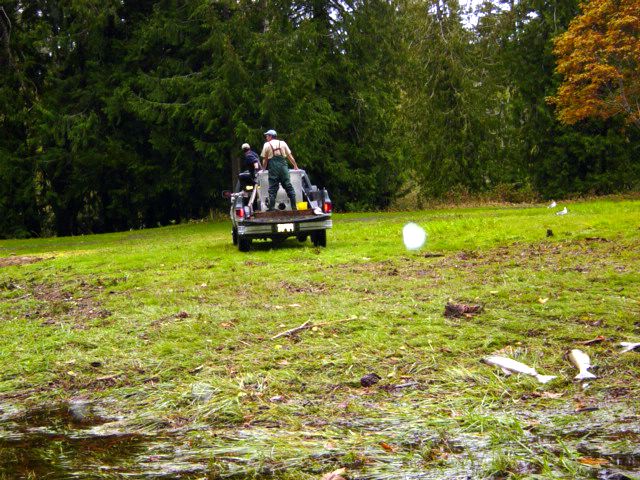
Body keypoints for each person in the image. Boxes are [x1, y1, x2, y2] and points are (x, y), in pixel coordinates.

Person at [260, 129, 299, 211]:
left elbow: (265, 160)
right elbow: (290, 156)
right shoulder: (283, 143)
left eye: (267, 136)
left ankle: (272, 208)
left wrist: (263, 168)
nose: (266, 137)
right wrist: (295, 165)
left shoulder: (266, 145)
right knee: (288, 186)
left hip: (273, 168)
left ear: (270, 136)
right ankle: (294, 208)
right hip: (283, 167)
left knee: (273, 188)